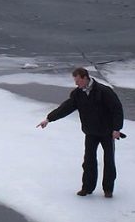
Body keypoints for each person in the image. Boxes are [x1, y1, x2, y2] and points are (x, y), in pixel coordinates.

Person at [37, 67, 124, 198]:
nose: (76, 83)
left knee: (109, 161)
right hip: (90, 132)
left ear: (85, 78)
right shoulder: (77, 94)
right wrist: (49, 119)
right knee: (88, 161)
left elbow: (117, 109)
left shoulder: (104, 91)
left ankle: (108, 189)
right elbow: (65, 108)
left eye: (77, 81)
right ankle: (87, 188)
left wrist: (117, 129)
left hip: (107, 132)